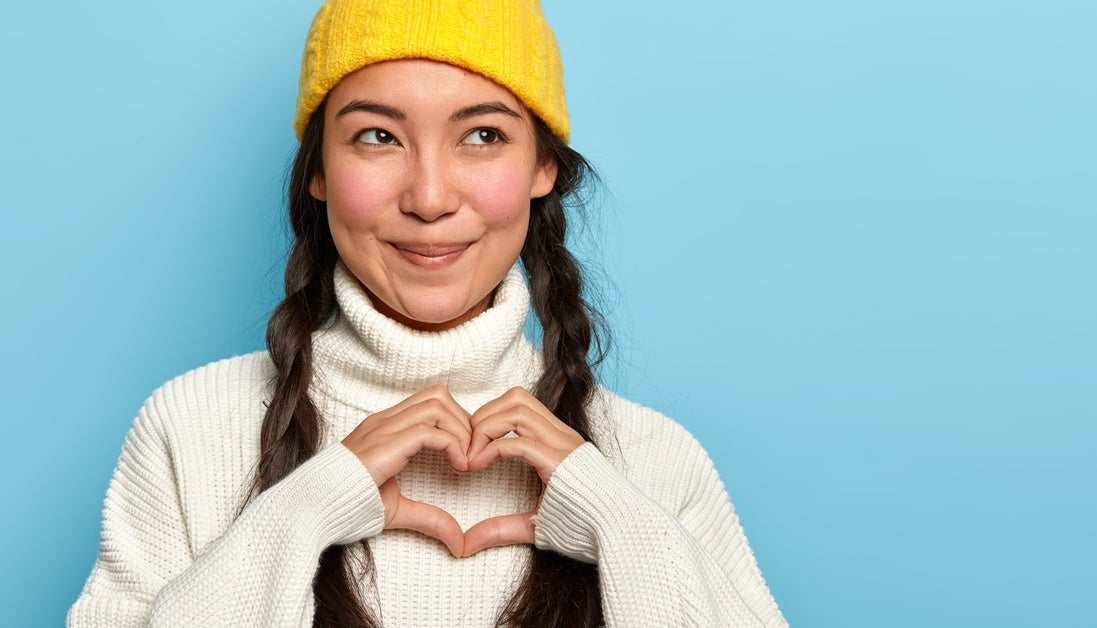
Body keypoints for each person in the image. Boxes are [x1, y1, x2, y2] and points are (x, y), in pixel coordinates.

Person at [68, 0, 787, 625]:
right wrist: (302, 511)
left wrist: (620, 520)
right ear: (317, 170)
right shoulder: (190, 426)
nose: (430, 196)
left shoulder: (653, 461)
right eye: (377, 135)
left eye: (482, 135)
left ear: (545, 169)